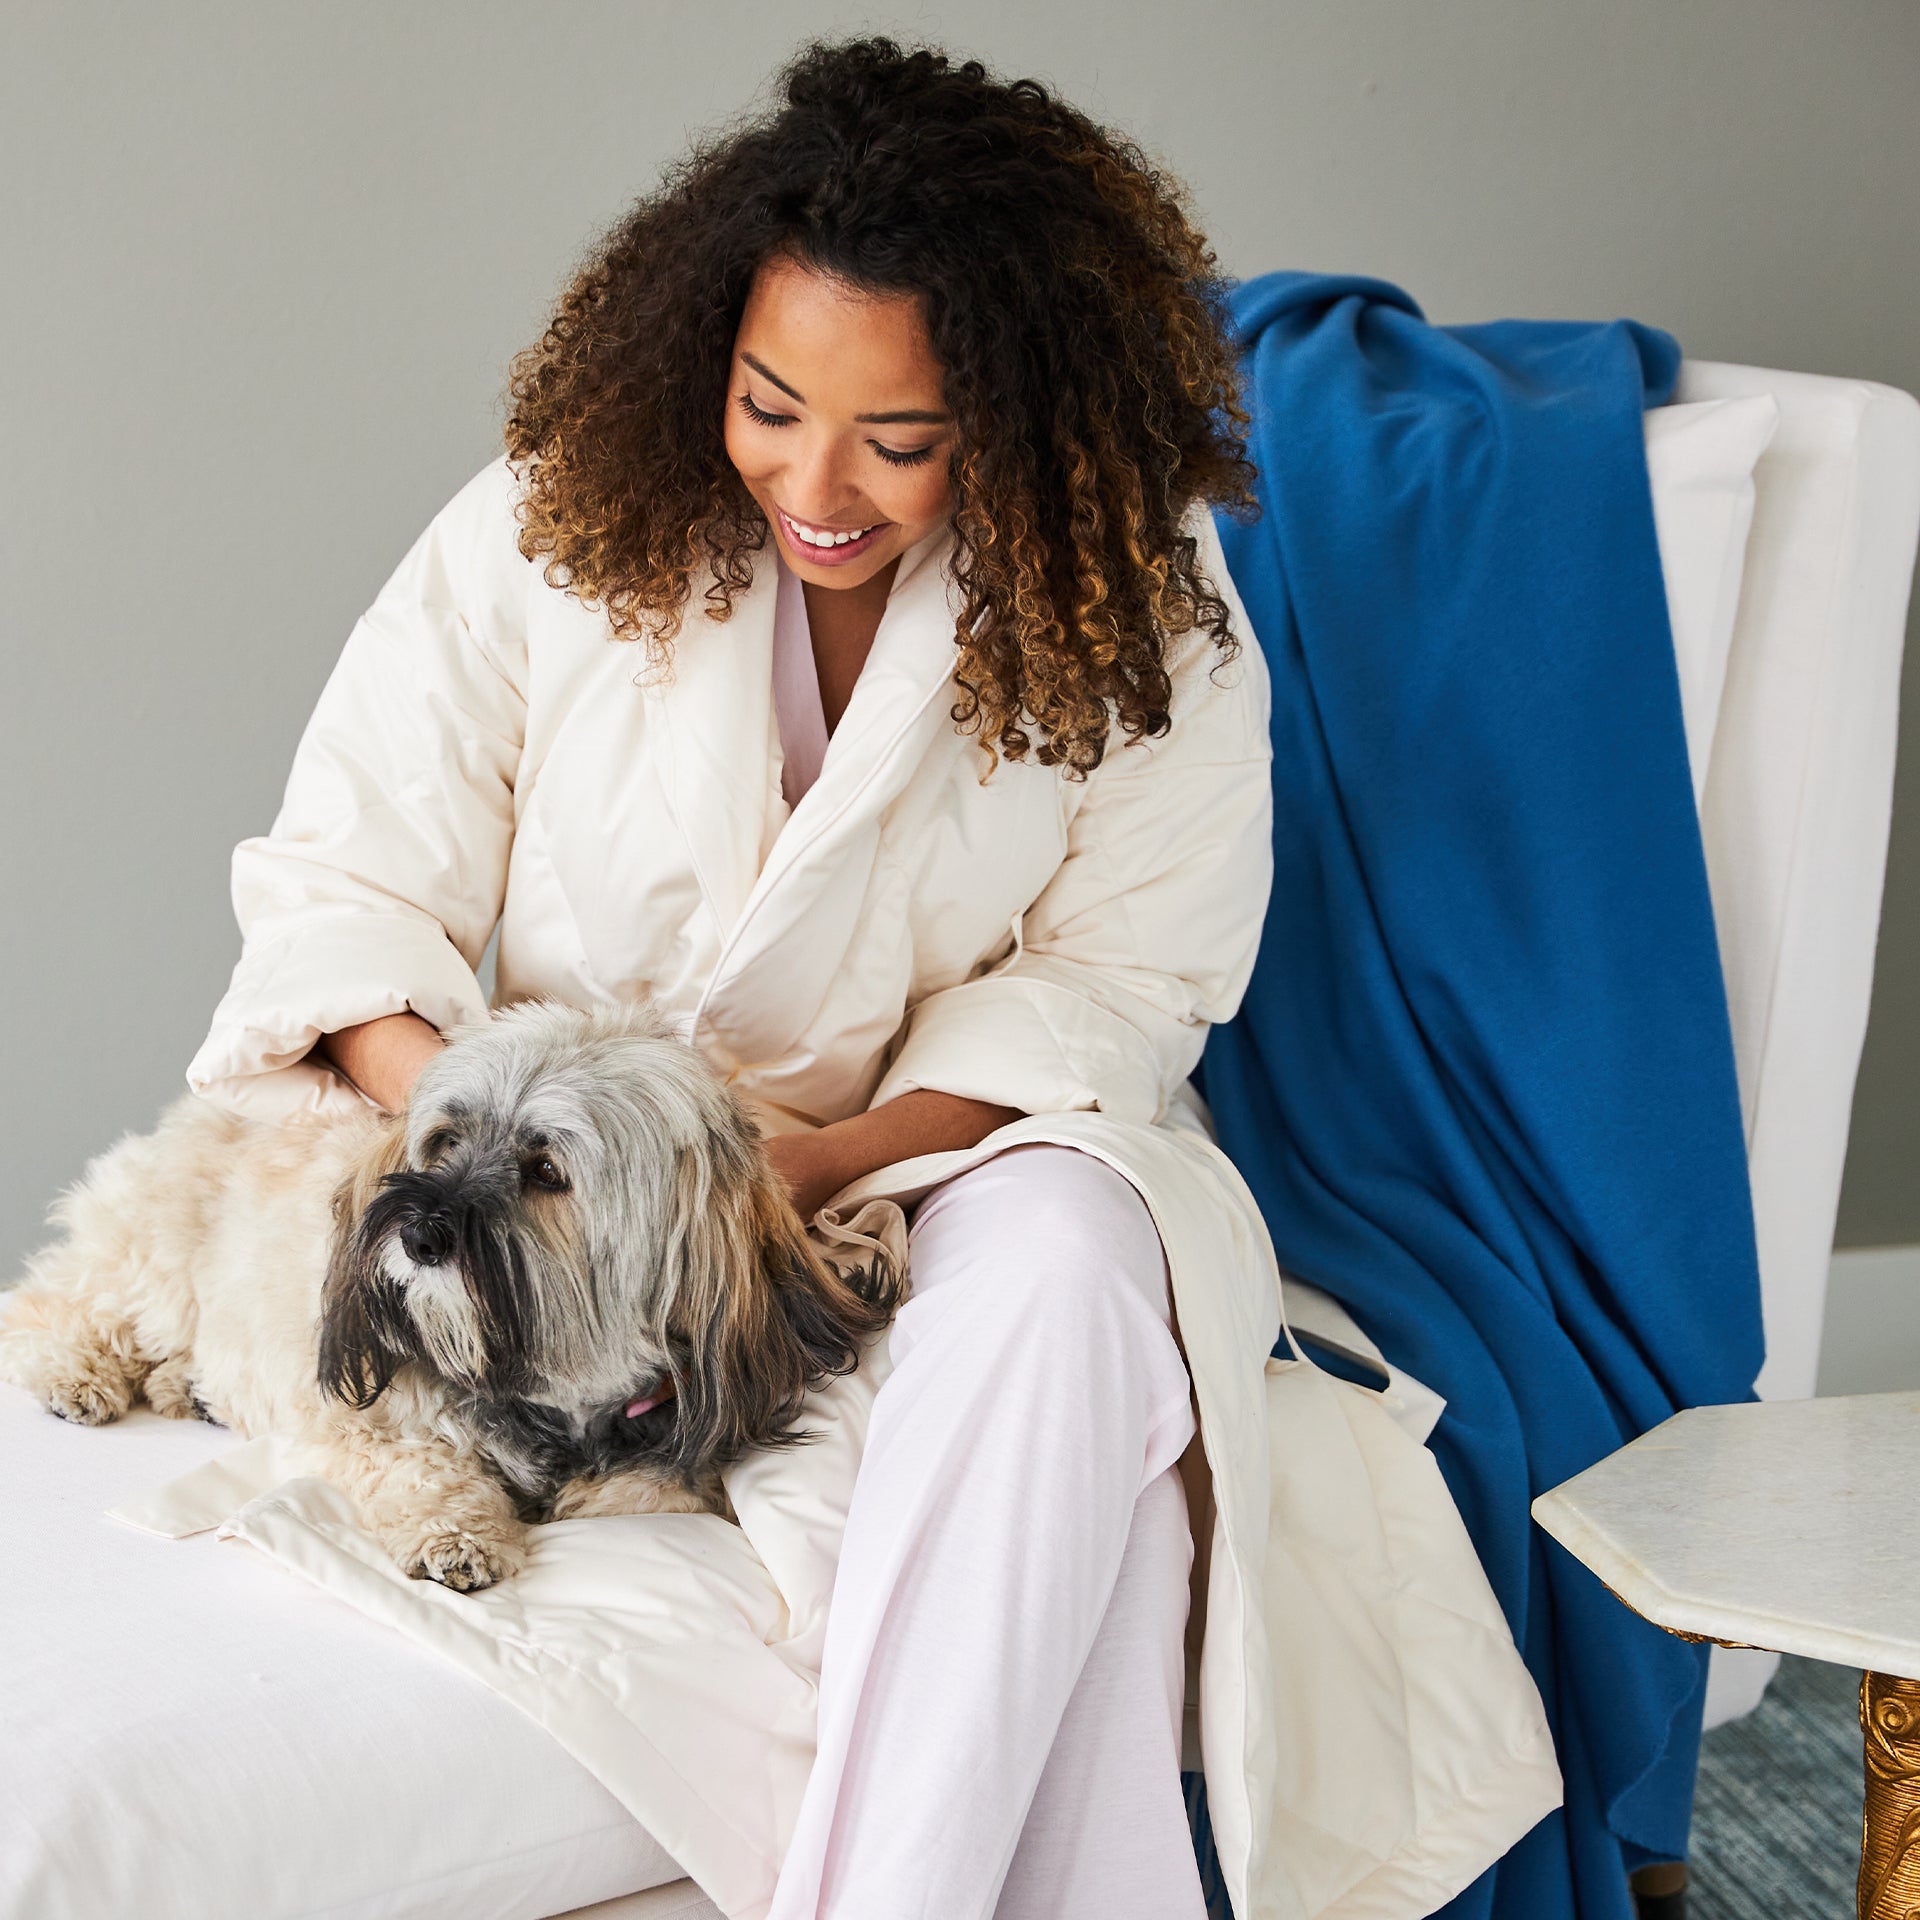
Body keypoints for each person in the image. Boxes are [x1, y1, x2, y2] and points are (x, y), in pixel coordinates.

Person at [186, 37, 1559, 1920]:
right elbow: (349, 882)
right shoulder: (545, 531)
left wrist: (802, 1176)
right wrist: (511, 1148)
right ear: (703, 362)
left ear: (1017, 411)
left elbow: (1122, 986)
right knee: (1126, 1544)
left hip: (934, 1166)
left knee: (1084, 1265)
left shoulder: (1141, 612)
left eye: (900, 441)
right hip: (562, 1180)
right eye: (768, 406)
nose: (815, 484)